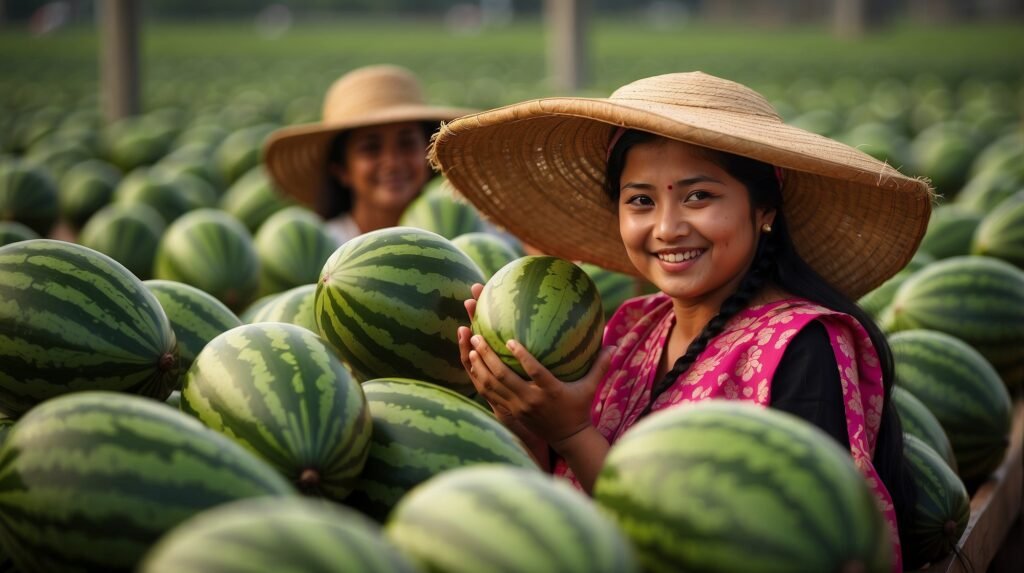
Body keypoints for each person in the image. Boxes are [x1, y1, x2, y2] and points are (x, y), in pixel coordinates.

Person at [428, 71, 933, 570]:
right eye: (641, 201)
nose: (667, 228)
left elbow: (774, 545)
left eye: (698, 196)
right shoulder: (630, 329)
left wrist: (572, 432)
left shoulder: (804, 346)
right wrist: (520, 416)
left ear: (764, 209)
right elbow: (556, 508)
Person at [263, 64, 475, 243]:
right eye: (371, 148)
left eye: (407, 143)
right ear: (341, 169)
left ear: (430, 154)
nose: (392, 162)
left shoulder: (468, 235)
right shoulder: (326, 250)